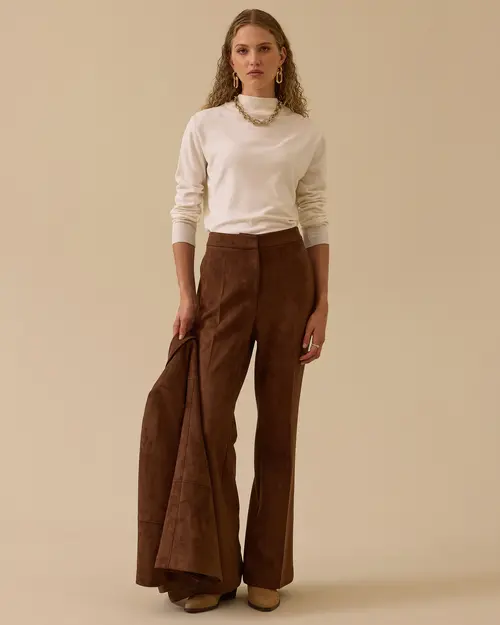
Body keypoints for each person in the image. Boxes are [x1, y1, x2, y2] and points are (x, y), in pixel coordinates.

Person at [169, 8, 329, 613]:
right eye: (242, 50)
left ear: (282, 57)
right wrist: (187, 294)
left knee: (278, 425)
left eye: (264, 48)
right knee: (211, 422)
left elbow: (315, 216)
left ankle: (266, 569)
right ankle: (208, 572)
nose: (254, 59)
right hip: (225, 269)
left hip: (288, 272)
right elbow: (185, 209)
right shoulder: (206, 125)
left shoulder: (304, 132)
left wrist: (322, 303)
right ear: (230, 60)